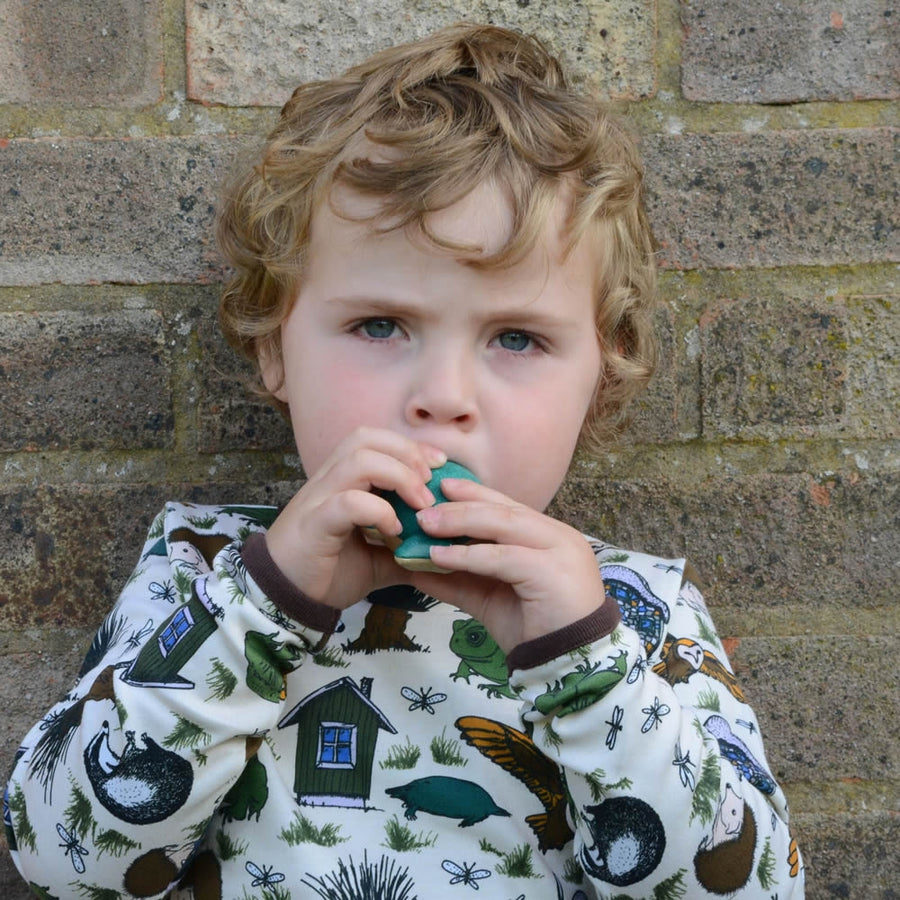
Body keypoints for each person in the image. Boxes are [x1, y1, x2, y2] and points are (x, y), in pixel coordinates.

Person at [4, 23, 804, 899]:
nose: (442, 395)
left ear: (600, 374)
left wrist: (586, 664)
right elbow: (61, 856)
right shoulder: (203, 574)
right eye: (380, 326)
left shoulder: (639, 618)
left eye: (518, 338)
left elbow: (753, 888)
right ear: (276, 347)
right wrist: (261, 605)